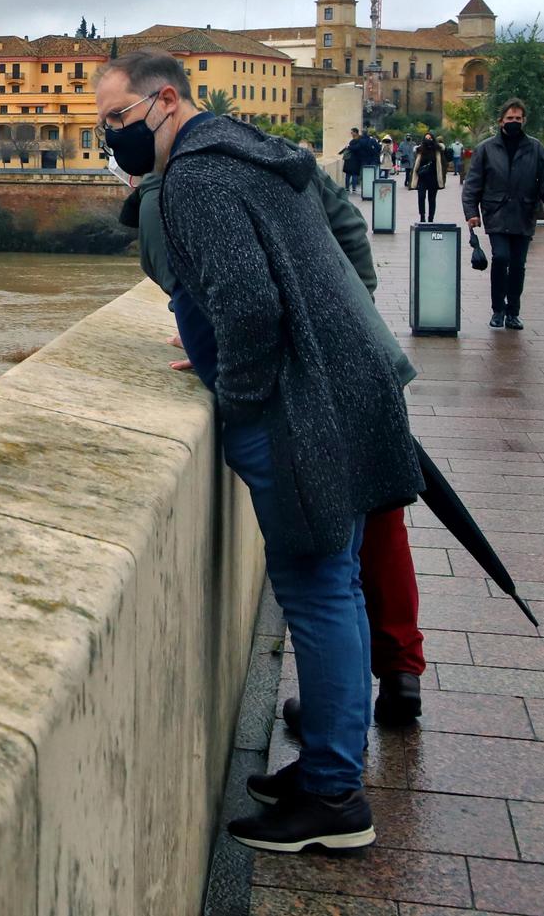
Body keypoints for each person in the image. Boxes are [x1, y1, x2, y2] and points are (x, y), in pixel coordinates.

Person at [98, 49, 422, 854]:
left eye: (116, 121)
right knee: (336, 582)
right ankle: (326, 763)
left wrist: (238, 400)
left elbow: (245, 304)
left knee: (316, 588)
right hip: (347, 380)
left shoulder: (198, 181)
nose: (110, 139)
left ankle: (332, 797)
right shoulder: (249, 149)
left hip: (297, 407)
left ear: (164, 101)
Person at [122, 155, 428, 737]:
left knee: (327, 574)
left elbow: (199, 292)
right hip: (363, 358)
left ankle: (337, 734)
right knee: (381, 521)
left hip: (312, 379)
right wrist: (347, 316)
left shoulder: (171, 195)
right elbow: (348, 229)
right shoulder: (272, 155)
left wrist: (218, 349)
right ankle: (400, 671)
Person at [462, 99, 544, 329]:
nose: (514, 122)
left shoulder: (537, 149)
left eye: (518, 119)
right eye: (510, 118)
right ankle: (497, 309)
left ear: (524, 120)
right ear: (501, 121)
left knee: (518, 264)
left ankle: (513, 312)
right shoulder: (486, 149)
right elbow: (473, 184)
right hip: (496, 213)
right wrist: (472, 213)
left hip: (525, 213)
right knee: (501, 258)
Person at [413, 133, 445, 223]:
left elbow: (443, 163)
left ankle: (431, 218)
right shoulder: (420, 150)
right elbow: (416, 164)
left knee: (432, 199)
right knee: (421, 197)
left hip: (433, 178)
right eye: (426, 138)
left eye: (430, 138)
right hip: (422, 178)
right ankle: (422, 216)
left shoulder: (437, 150)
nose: (428, 140)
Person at [341, 127, 371, 192]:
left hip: (352, 159)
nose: (351, 134)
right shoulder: (360, 139)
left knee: (349, 174)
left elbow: (356, 148)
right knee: (353, 174)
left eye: (352, 132)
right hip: (356, 159)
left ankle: (348, 188)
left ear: (355, 132)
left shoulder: (357, 140)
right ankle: (353, 188)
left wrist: (348, 147)